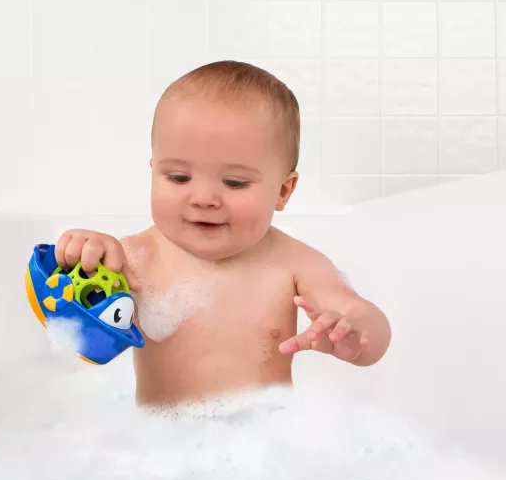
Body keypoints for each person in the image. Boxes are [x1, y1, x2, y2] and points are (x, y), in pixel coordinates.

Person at [55, 60, 391, 405]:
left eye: (234, 182)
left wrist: (356, 335)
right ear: (154, 171)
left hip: (269, 436)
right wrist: (81, 255)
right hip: (160, 437)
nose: (203, 198)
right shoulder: (132, 259)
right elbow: (71, 325)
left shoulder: (295, 264)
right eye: (179, 177)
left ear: (283, 191)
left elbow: (364, 318)